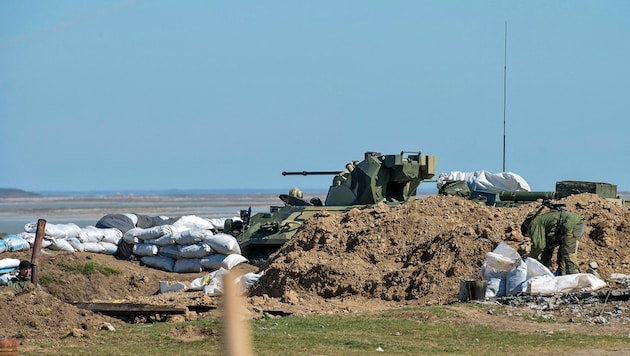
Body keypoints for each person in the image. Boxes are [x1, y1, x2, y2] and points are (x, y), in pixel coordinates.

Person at [520, 208, 586, 275]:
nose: (532, 237)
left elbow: (539, 246)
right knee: (562, 256)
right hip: (573, 224)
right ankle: (563, 275)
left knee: (568, 254)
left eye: (530, 235)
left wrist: (531, 257)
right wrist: (541, 266)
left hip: (571, 224)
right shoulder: (544, 227)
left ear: (527, 231)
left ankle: (575, 278)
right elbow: (547, 250)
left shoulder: (533, 224)